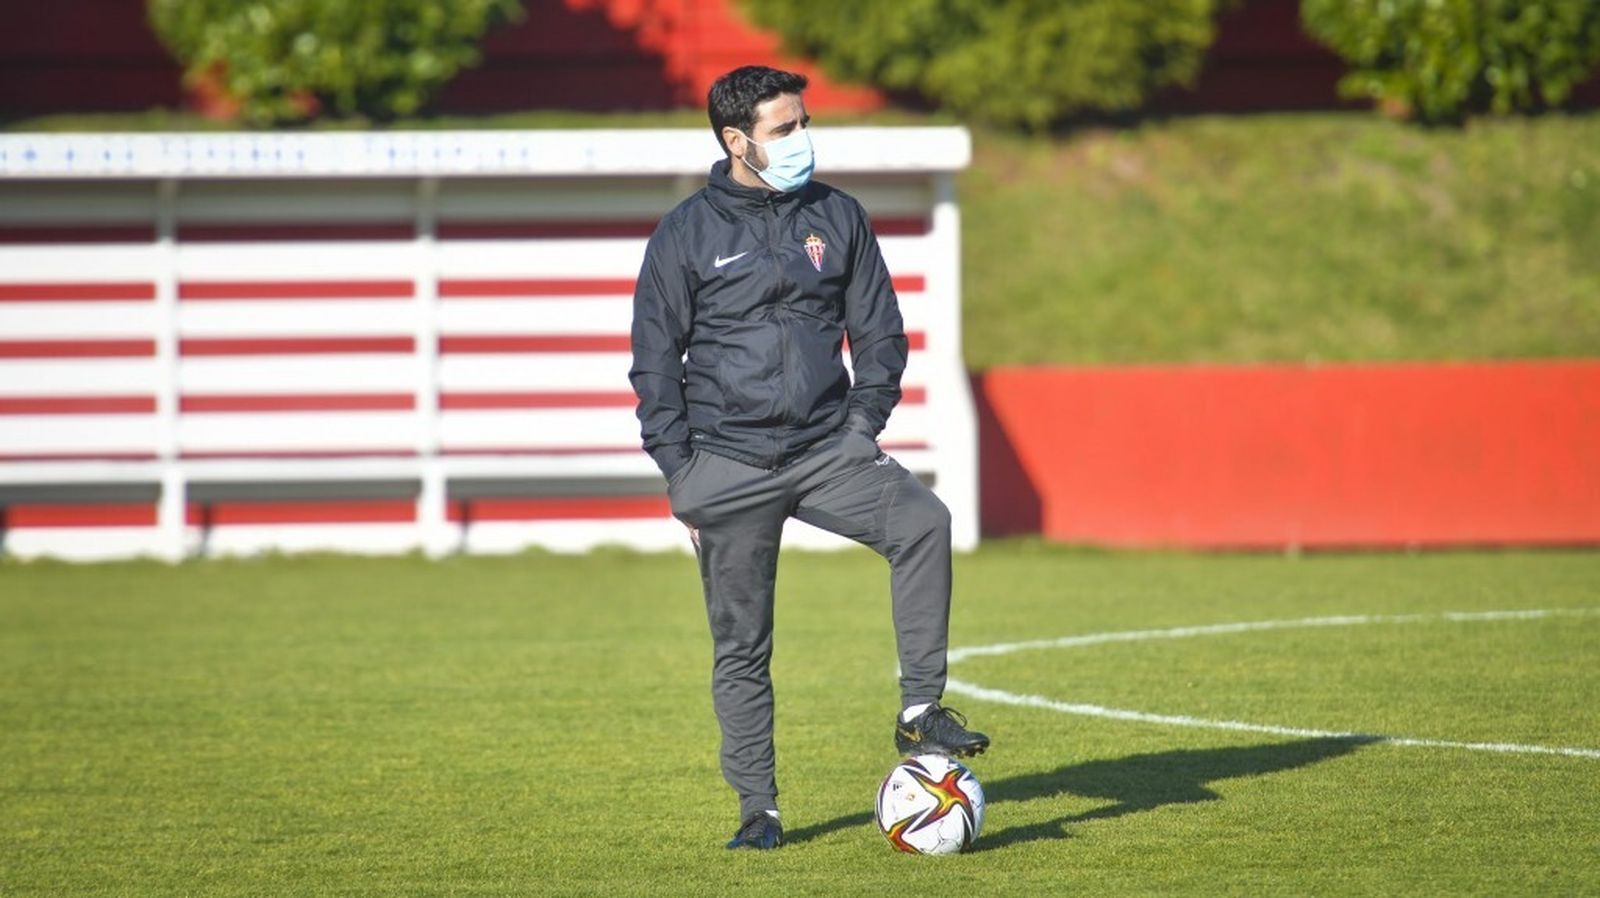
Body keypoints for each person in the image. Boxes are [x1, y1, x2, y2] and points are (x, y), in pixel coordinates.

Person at [629, 65, 989, 851]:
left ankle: (921, 708)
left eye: (804, 122)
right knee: (743, 646)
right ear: (737, 141)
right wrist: (681, 474)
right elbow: (655, 364)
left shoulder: (839, 216)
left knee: (925, 522)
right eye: (785, 129)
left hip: (830, 449)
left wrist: (861, 429)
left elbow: (882, 334)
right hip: (726, 462)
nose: (803, 139)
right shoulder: (684, 234)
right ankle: (760, 810)